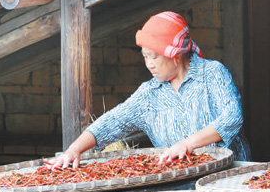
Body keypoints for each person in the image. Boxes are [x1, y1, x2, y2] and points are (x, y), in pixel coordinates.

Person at [50, 11, 251, 169]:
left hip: (229, 175)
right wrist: (74, 149)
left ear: (176, 55)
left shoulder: (212, 73)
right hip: (182, 182)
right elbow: (111, 122)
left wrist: (187, 144)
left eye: (154, 57)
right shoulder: (149, 95)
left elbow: (232, 117)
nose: (149, 64)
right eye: (145, 57)